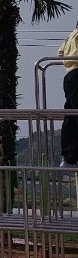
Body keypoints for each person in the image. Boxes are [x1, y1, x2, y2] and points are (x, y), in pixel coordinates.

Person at [58, 16, 78, 165]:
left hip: (70, 75)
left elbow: (60, 53)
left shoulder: (70, 35)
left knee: (71, 114)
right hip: (77, 74)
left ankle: (69, 156)